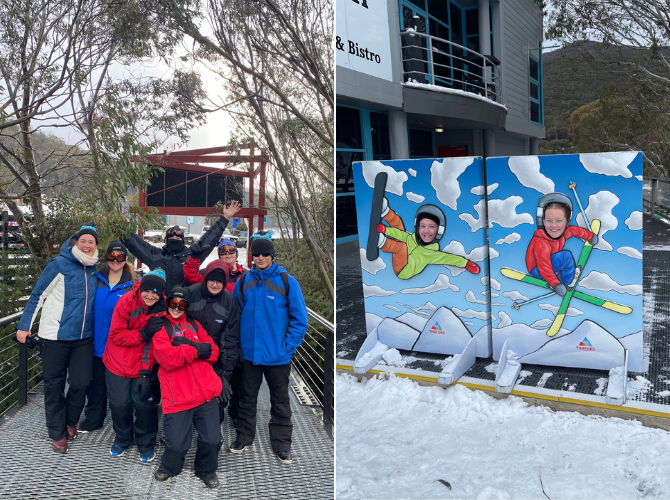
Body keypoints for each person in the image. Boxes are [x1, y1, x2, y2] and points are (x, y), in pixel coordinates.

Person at [15, 224, 99, 453]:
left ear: (96, 246)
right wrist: (24, 326)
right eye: (83, 241)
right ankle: (57, 432)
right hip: (54, 337)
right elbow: (37, 295)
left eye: (91, 242)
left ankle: (71, 420)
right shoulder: (59, 265)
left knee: (81, 382)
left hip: (84, 337)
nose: (87, 245)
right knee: (54, 386)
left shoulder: (94, 269)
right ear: (75, 242)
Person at [229, 236, 308, 465]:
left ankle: (282, 444)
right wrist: (239, 346)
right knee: (246, 399)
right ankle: (244, 437)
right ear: (251, 256)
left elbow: (300, 320)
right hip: (250, 355)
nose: (260, 258)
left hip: (278, 357)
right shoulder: (244, 281)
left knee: (281, 401)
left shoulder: (286, 281)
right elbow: (235, 316)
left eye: (265, 254)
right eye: (256, 254)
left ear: (272, 255)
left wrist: (287, 347)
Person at [151, 287, 222, 488]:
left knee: (212, 440)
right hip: (178, 395)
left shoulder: (194, 325)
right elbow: (167, 359)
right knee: (176, 443)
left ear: (187, 307)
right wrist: (197, 349)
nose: (176, 308)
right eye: (173, 303)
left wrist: (188, 345)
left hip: (205, 391)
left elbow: (213, 352)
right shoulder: (161, 327)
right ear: (167, 303)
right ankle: (170, 467)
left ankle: (206, 469)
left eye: (181, 305)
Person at [102, 268, 166, 462]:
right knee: (119, 404)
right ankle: (122, 439)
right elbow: (116, 335)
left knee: (144, 404)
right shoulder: (126, 301)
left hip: (143, 364)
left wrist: (147, 372)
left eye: (155, 292)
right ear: (141, 288)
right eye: (147, 290)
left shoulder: (163, 309)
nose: (150, 295)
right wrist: (141, 334)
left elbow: (156, 345)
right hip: (117, 361)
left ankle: (146, 443)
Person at [78, 241, 137, 434]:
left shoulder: (132, 286)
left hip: (119, 347)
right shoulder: (96, 279)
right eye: (112, 256)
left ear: (125, 259)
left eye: (120, 257)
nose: (115, 260)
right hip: (96, 343)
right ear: (106, 258)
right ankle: (94, 419)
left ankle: (126, 423)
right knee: (96, 385)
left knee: (120, 390)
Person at [119, 200, 241, 293]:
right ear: (166, 240)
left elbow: (208, 239)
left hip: (185, 308)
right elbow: (134, 242)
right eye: (171, 236)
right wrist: (115, 226)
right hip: (161, 308)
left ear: (183, 240)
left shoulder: (192, 255)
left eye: (178, 236)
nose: (175, 237)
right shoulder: (155, 255)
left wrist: (225, 218)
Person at [183, 260, 240, 423]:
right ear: (205, 278)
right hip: (188, 356)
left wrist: (226, 374)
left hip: (214, 360)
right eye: (212, 280)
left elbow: (229, 340)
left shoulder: (229, 303)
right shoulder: (191, 293)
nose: (215, 285)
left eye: (219, 282)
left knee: (215, 410)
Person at [375, 200, 480, 279]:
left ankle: (381, 242)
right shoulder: (412, 238)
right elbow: (401, 234)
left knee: (402, 247)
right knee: (399, 226)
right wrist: (386, 230)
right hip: (402, 256)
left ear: (439, 230)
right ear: (417, 227)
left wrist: (465, 264)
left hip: (404, 270)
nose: (426, 231)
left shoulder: (431, 254)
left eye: (431, 227)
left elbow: (448, 258)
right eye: (422, 226)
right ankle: (385, 211)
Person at [526, 193, 598, 296]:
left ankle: (562, 281)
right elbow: (544, 267)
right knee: (566, 257)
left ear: (567, 221)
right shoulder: (541, 243)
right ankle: (566, 283)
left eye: (559, 221)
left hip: (549, 263)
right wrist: (556, 284)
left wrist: (590, 236)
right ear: (542, 221)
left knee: (564, 259)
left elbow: (574, 231)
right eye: (549, 221)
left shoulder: (565, 232)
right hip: (536, 268)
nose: (553, 226)